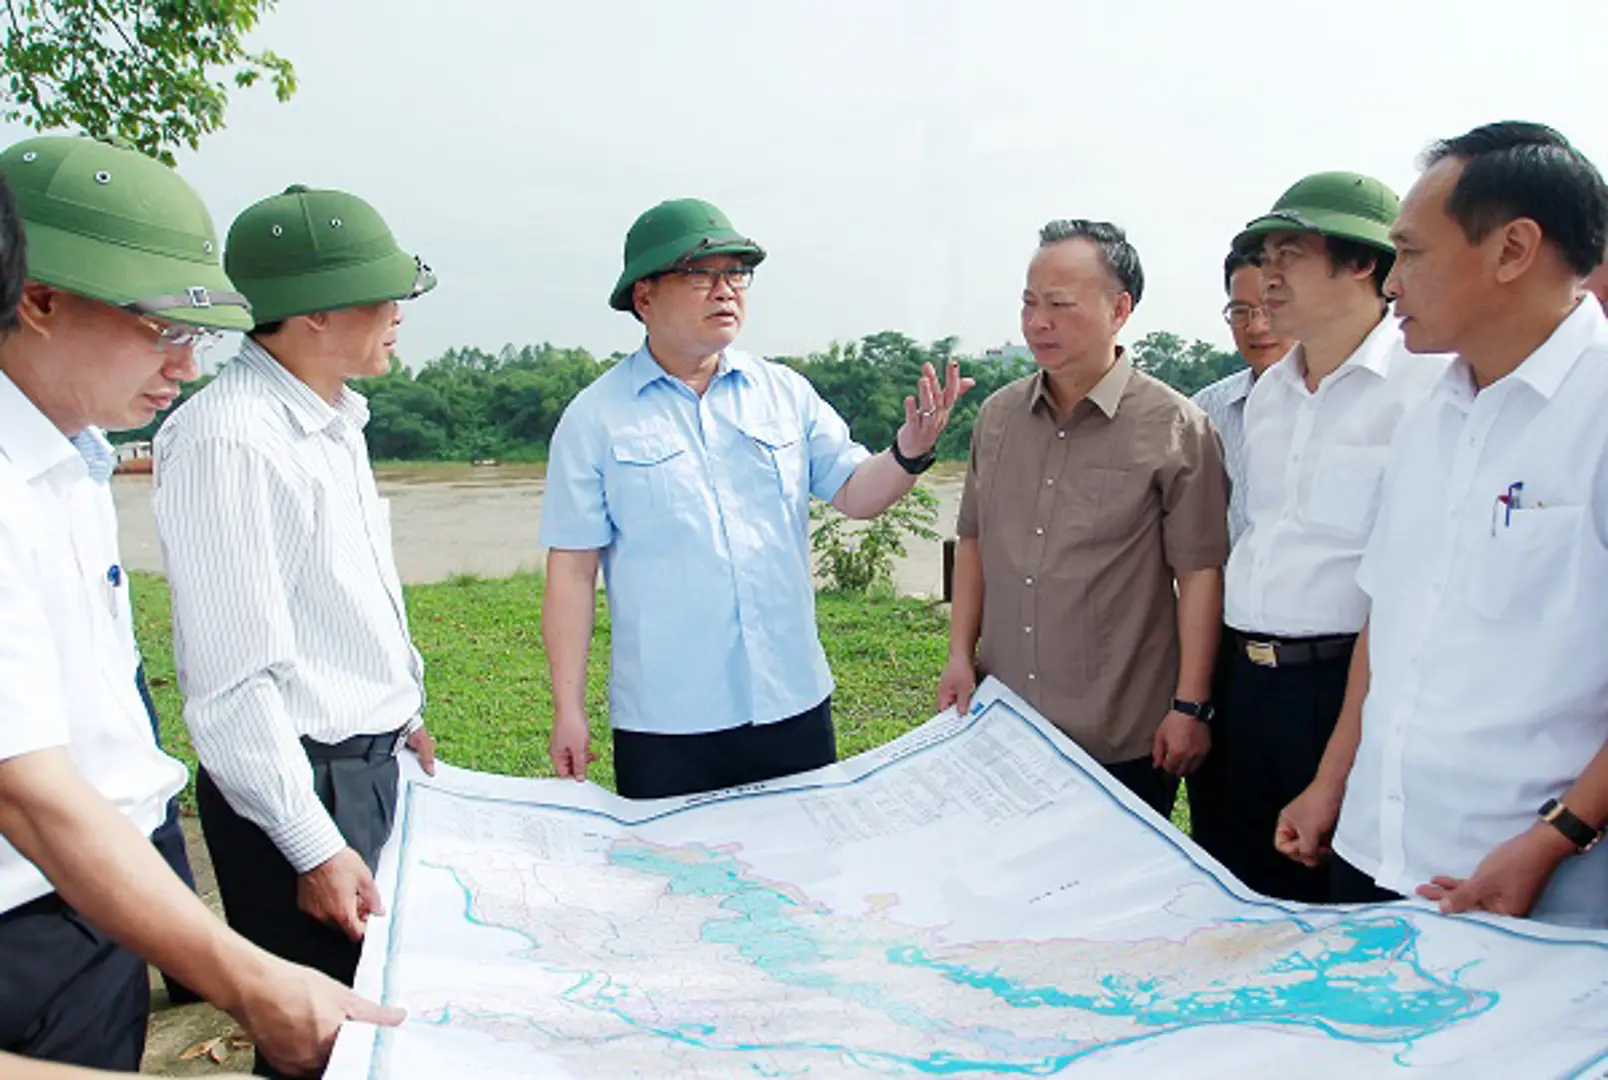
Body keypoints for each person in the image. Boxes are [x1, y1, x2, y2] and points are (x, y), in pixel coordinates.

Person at [0, 136, 399, 1076]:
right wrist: (251, 980)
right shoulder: (212, 441)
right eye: (164, 330)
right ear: (40, 300)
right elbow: (30, 789)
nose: (183, 366)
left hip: (100, 906)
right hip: (29, 914)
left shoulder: (70, 464)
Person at [1277, 121, 1608, 928]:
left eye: (1414, 255)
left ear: (1512, 249)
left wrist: (1556, 838)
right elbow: (1389, 620)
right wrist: (1333, 782)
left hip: (1526, 882)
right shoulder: (1431, 411)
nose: (1392, 285)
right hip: (1373, 850)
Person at [541, 198, 972, 800]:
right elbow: (572, 571)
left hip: (791, 701)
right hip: (667, 720)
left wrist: (909, 450)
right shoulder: (596, 419)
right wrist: (569, 707)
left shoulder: (783, 393)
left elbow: (853, 491)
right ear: (644, 296)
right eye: (700, 275)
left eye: (735, 274)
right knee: (678, 886)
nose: (725, 291)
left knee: (807, 877)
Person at [151, 185, 436, 1076]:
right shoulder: (231, 438)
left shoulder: (332, 417)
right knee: (325, 1044)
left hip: (365, 764)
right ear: (312, 312)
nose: (398, 314)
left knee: (380, 1027)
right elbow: (233, 684)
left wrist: (403, 707)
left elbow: (343, 600)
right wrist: (313, 847)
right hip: (300, 790)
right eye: (381, 296)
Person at [1197, 174, 1448, 902]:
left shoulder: (1426, 390)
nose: (1267, 280)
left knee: (1341, 904)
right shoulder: (1267, 395)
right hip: (1246, 684)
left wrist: (1337, 765)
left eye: (1289, 256)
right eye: (1263, 256)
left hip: (1345, 687)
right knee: (1240, 897)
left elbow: (1406, 592)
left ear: (1363, 263)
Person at [938, 219, 1228, 817]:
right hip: (1003, 720)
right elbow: (972, 541)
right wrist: (959, 655)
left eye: (1060, 305)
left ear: (1119, 309)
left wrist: (1190, 706)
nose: (1037, 322)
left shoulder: (1175, 427)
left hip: (1120, 735)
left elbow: (1200, 574)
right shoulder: (997, 419)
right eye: (1029, 303)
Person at [1190, 248, 1296, 547]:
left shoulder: (1350, 404)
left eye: (1270, 308)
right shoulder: (1205, 413)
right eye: (1240, 312)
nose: (1256, 327)